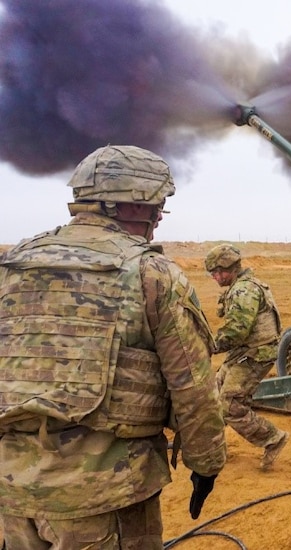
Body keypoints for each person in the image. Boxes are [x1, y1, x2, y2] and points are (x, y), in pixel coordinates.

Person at [0, 145, 226, 549]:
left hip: (13, 491)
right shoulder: (151, 273)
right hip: (106, 496)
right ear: (134, 207)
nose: (159, 218)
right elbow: (193, 388)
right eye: (159, 206)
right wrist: (206, 464)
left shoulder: (14, 264)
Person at [205, 244, 289, 471]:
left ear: (226, 269)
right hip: (243, 353)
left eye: (215, 272)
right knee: (214, 395)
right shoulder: (241, 286)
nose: (214, 277)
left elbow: (236, 331)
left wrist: (209, 346)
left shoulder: (244, 291)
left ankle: (273, 438)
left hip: (255, 355)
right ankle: (214, 448)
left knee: (229, 404)